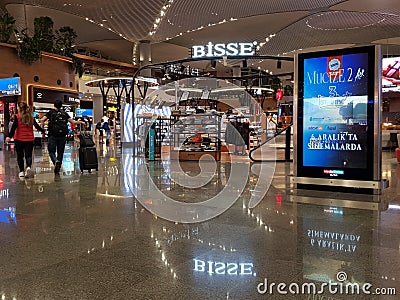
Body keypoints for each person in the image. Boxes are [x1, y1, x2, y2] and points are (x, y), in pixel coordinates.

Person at [40, 100, 84, 175]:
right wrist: (80, 122)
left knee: (51, 151)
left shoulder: (51, 112)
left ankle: (55, 161)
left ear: (54, 105)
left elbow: (42, 120)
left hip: (52, 135)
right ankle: (58, 166)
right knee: (60, 152)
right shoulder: (64, 113)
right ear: (61, 106)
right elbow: (73, 122)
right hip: (62, 135)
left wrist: (43, 132)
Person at [5, 102, 45, 178]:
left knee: (20, 156)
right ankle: (28, 167)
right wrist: (43, 131)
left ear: (19, 108)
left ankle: (21, 172)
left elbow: (14, 128)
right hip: (29, 139)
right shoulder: (31, 117)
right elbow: (37, 126)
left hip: (19, 139)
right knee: (28, 155)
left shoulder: (17, 116)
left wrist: (9, 137)